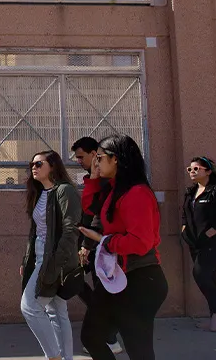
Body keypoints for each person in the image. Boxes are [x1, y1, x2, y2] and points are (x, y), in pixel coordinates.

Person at [79, 135, 168, 360]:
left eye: (99, 158)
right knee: (91, 336)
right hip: (117, 277)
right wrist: (93, 178)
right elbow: (91, 207)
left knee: (139, 350)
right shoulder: (113, 189)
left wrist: (104, 241)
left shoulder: (137, 193)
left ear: (116, 159)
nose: (95, 163)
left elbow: (140, 242)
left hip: (140, 279)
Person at [19, 150, 82, 360]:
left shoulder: (64, 191)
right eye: (32, 164)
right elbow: (35, 230)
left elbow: (70, 230)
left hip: (53, 257)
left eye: (39, 164)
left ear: (53, 166)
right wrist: (26, 259)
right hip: (39, 254)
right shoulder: (40, 192)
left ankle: (54, 356)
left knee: (30, 306)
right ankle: (65, 358)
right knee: (57, 310)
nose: (33, 168)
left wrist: (56, 263)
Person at [71, 137, 123, 354]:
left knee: (100, 290)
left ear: (95, 155)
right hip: (90, 241)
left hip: (99, 245)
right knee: (75, 282)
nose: (79, 161)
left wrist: (87, 245)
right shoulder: (94, 180)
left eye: (82, 157)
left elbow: (97, 216)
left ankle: (109, 336)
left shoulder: (107, 182)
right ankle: (108, 332)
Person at [181, 156, 216, 332]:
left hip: (215, 243)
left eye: (196, 169)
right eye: (190, 169)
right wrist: (184, 231)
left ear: (208, 171)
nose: (192, 172)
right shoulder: (190, 193)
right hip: (194, 242)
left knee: (200, 273)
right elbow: (185, 215)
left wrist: (208, 235)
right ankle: (215, 316)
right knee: (209, 276)